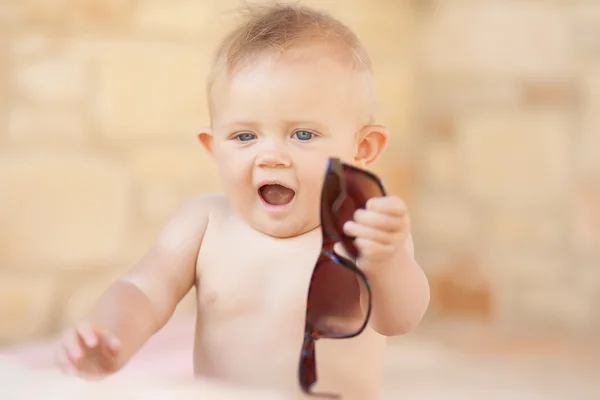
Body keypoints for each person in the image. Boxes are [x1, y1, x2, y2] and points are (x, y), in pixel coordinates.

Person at [55, 3, 430, 399]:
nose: (270, 156)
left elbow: (399, 320)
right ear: (213, 146)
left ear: (363, 149)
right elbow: (144, 290)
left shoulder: (364, 230)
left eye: (302, 134)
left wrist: (387, 263)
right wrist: (111, 335)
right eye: (244, 136)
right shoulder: (205, 223)